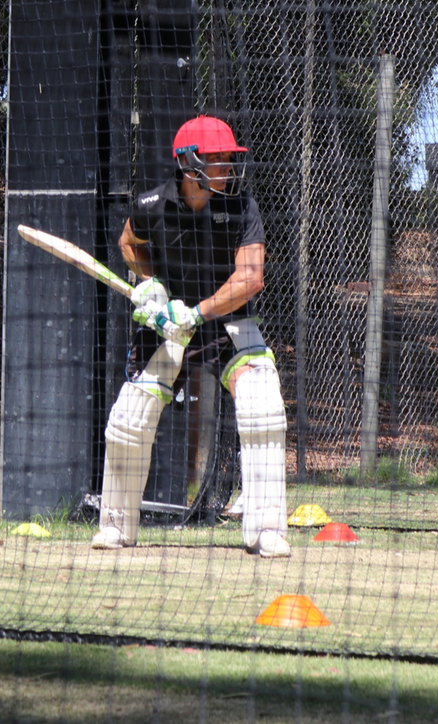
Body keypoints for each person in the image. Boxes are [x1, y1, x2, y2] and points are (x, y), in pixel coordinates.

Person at [92, 114, 290, 558]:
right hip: (166, 325)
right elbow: (129, 242)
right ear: (189, 164)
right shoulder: (151, 204)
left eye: (228, 159)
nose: (227, 168)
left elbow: (251, 278)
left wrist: (197, 313)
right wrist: (152, 285)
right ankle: (115, 527)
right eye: (218, 159)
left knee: (263, 407)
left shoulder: (242, 208)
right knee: (130, 418)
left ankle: (266, 531)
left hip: (227, 325)